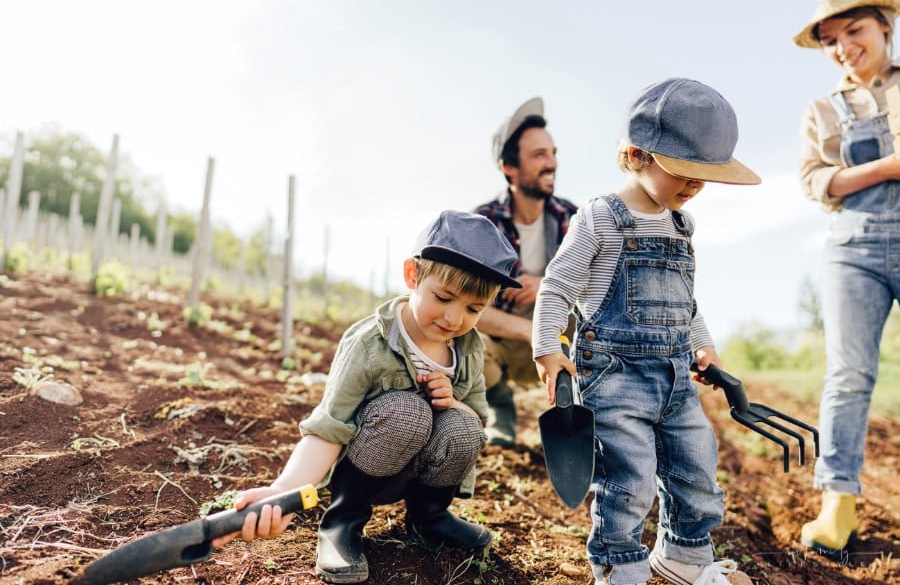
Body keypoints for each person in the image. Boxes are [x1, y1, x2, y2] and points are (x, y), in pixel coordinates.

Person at [532, 78, 760, 585]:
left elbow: (686, 299)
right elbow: (557, 288)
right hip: (614, 376)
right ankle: (619, 565)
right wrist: (549, 350)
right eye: (685, 174)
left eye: (705, 177)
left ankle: (683, 556)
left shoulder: (683, 226)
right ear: (637, 155)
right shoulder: (600, 219)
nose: (695, 187)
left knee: (697, 468)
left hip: (677, 376)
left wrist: (705, 346)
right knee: (627, 477)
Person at [212, 210, 521, 584]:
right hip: (367, 469)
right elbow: (328, 428)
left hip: (424, 473)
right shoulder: (369, 344)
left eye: (474, 309)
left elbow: (478, 419)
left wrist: (454, 403)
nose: (455, 318)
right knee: (408, 411)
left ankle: (429, 516)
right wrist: (282, 492)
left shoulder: (469, 350)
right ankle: (343, 520)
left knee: (463, 427)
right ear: (413, 276)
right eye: (444, 297)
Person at [794, 0, 900, 558]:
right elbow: (815, 183)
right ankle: (838, 502)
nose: (842, 48)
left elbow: (836, 178)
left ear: (885, 26)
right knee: (850, 373)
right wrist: (889, 166)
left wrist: (852, 174)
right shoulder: (822, 110)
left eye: (854, 31)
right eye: (830, 41)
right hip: (851, 248)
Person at [474, 96, 578, 448]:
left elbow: (603, 291)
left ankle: (581, 417)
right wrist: (531, 331)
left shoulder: (575, 220)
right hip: (506, 344)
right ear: (510, 168)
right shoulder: (482, 224)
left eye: (552, 153)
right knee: (462, 341)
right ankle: (498, 406)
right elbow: (462, 308)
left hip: (565, 343)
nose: (551, 164)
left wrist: (549, 287)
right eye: (538, 156)